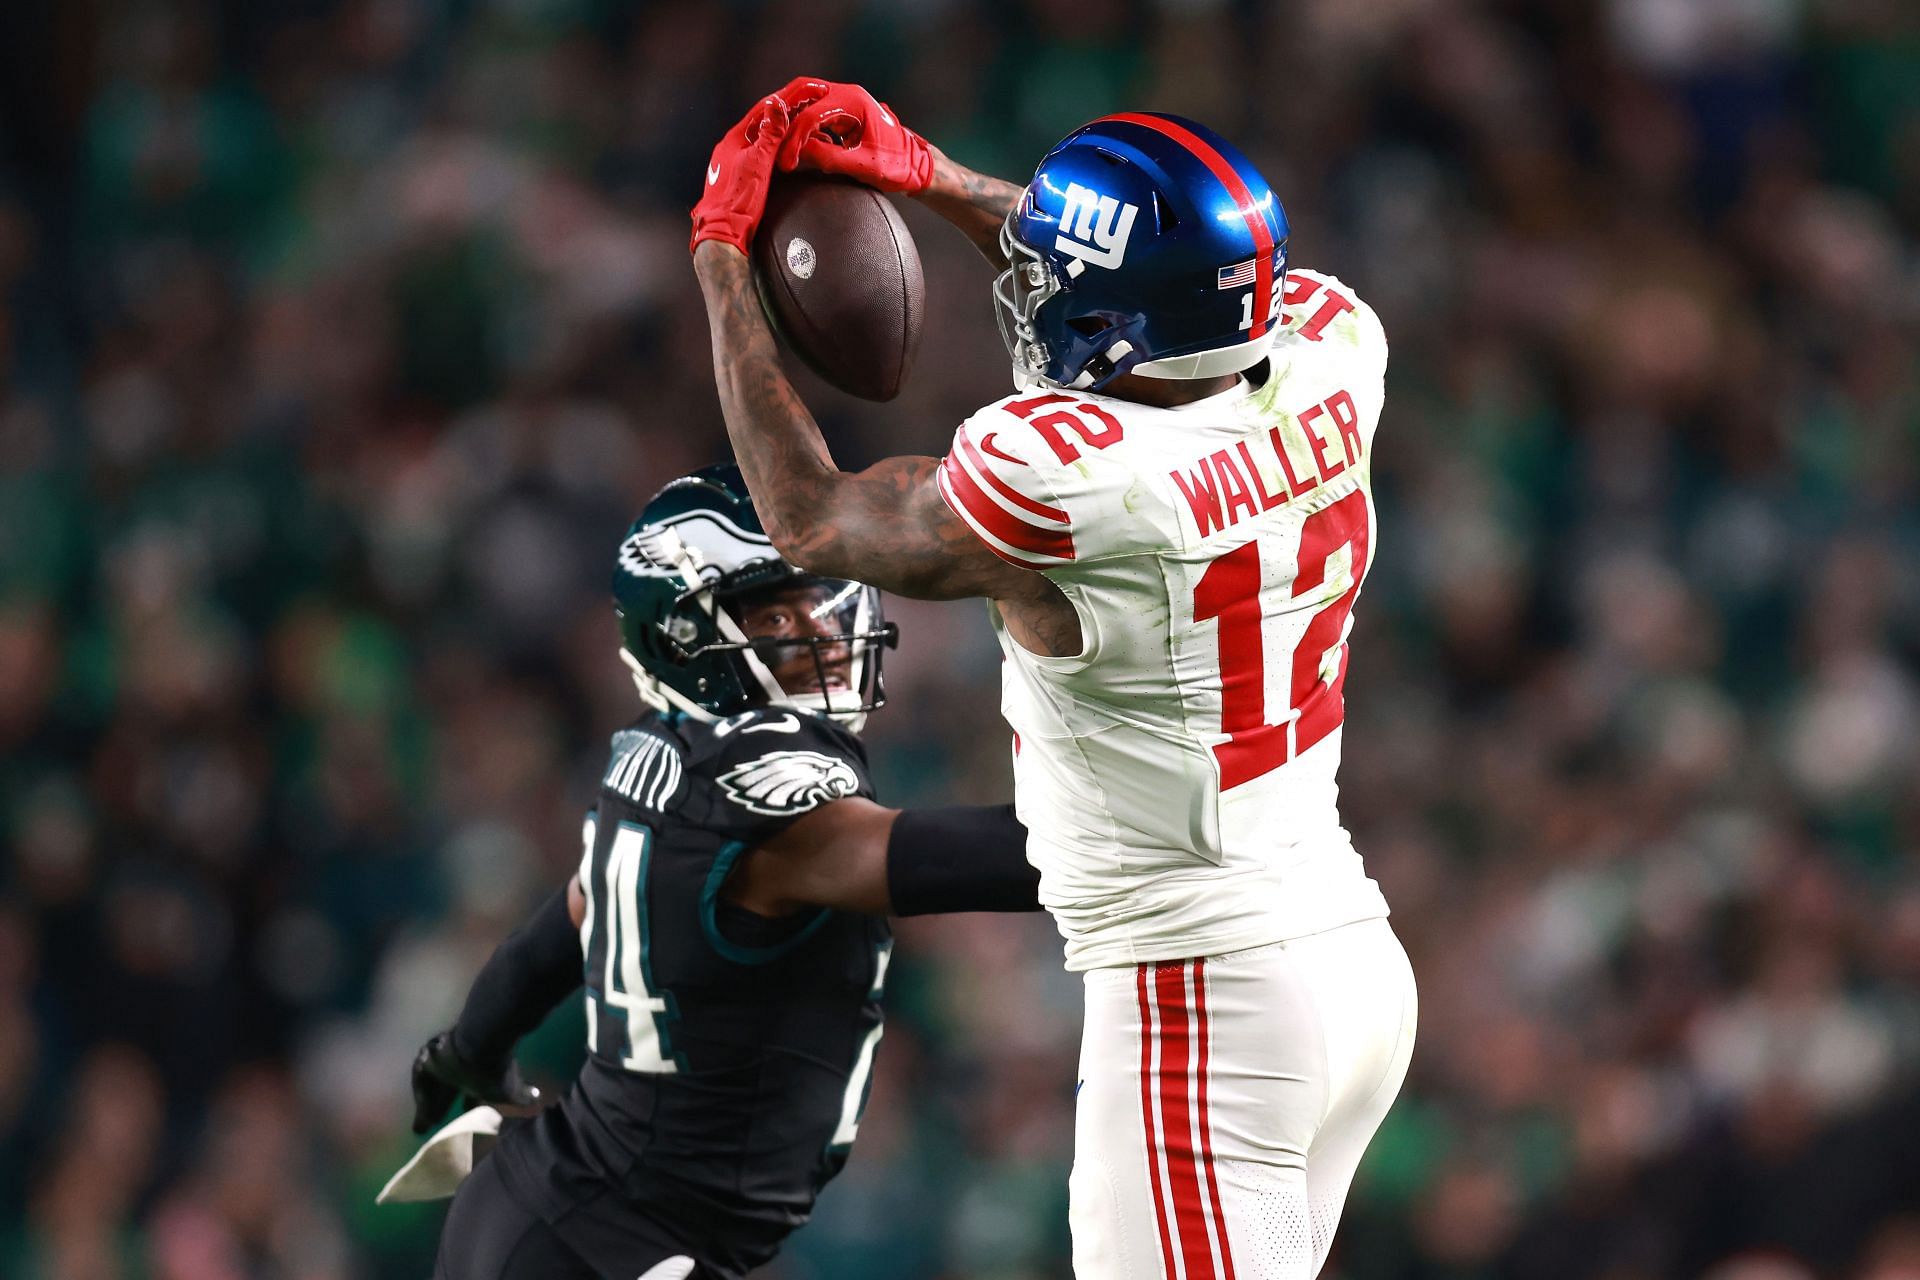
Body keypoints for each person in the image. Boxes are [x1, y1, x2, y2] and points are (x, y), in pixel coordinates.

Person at [688, 83, 1417, 1278]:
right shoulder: (1337, 348)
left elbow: (813, 519)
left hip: (1206, 1004)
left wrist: (722, 260)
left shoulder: (1077, 481)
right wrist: (922, 171)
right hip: (1346, 969)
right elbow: (1180, 276)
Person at [400, 465, 1041, 1280]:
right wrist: (1182, 831)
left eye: (814, 597)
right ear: (684, 641)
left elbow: (556, 931)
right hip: (601, 1248)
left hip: (568, 1216)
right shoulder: (774, 815)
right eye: (774, 612)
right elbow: (982, 860)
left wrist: (470, 1049)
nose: (819, 625)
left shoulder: (662, 757)